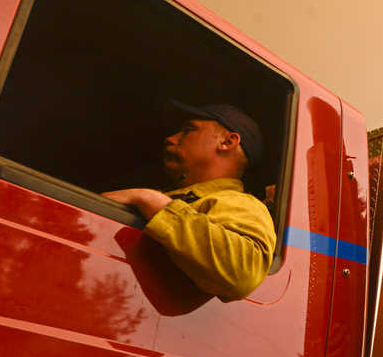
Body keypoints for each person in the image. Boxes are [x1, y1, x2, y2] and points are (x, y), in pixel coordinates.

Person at [103, 102, 276, 300]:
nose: (170, 138)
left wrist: (150, 201)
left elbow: (243, 272)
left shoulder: (241, 203)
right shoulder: (174, 197)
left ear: (228, 142)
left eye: (188, 130)